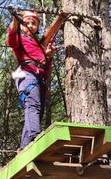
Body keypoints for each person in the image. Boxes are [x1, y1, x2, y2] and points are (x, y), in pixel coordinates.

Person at [6, 8, 67, 149]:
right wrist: (16, 18)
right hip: (27, 75)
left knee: (36, 111)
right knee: (33, 106)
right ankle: (36, 136)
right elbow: (12, 32)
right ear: (22, 24)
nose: (31, 25)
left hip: (40, 79)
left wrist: (48, 54)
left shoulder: (39, 45)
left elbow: (45, 64)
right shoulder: (18, 39)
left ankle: (25, 147)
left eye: (34, 23)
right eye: (27, 22)